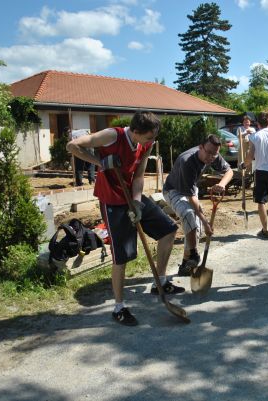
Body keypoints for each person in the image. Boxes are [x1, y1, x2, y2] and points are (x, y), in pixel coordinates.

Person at [66, 111, 182, 326]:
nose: (152, 141)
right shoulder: (112, 135)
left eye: (154, 137)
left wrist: (137, 203)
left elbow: (138, 176)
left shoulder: (145, 145)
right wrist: (100, 162)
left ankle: (161, 282)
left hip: (131, 195)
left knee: (168, 230)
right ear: (135, 131)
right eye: (149, 137)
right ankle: (119, 308)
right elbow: (73, 146)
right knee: (122, 256)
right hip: (111, 200)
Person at [163, 135, 234, 276]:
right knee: (189, 215)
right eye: (209, 153)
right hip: (173, 190)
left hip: (190, 187)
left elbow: (229, 171)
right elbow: (191, 199)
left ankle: (185, 264)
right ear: (200, 147)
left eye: (215, 154)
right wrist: (206, 223)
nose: (212, 157)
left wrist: (222, 184)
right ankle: (194, 255)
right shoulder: (187, 161)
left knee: (195, 227)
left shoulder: (213, 153)